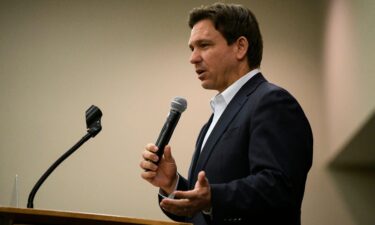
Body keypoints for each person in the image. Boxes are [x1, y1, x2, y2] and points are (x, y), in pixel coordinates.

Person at [140, 3, 313, 225]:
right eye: (191, 48)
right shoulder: (213, 120)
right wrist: (172, 184)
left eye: (204, 45)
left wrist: (213, 197)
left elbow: (279, 187)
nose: (193, 58)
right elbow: (201, 211)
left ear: (240, 47)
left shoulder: (272, 102)